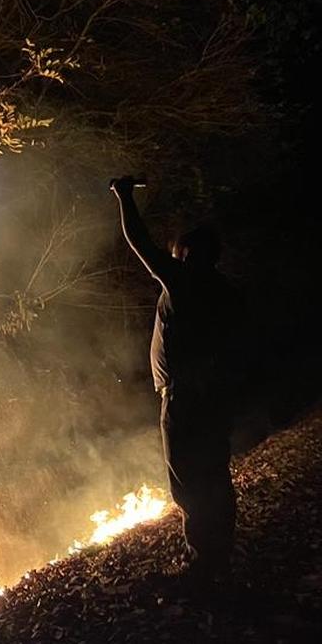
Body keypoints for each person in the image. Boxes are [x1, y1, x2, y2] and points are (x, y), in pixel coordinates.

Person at [111, 175, 236, 581]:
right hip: (216, 395)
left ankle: (203, 561)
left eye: (178, 251)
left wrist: (124, 196)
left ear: (188, 255)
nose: (172, 255)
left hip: (184, 397)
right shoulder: (227, 291)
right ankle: (220, 552)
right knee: (215, 471)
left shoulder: (184, 282)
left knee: (187, 478)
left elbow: (141, 244)